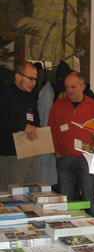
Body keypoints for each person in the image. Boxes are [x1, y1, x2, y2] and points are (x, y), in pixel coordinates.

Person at [48, 72, 94, 217]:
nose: (70, 90)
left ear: (83, 86)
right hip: (64, 157)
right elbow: (51, 129)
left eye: (73, 87)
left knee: (89, 198)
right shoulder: (58, 105)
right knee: (66, 199)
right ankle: (67, 228)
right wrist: (56, 151)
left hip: (86, 158)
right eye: (67, 87)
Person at [0, 61, 40, 191]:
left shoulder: (31, 97)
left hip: (31, 153)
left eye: (35, 79)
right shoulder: (5, 94)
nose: (34, 83)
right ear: (18, 77)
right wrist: (23, 125)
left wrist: (38, 129)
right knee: (11, 196)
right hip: (12, 156)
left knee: (33, 194)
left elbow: (35, 121)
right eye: (31, 79)